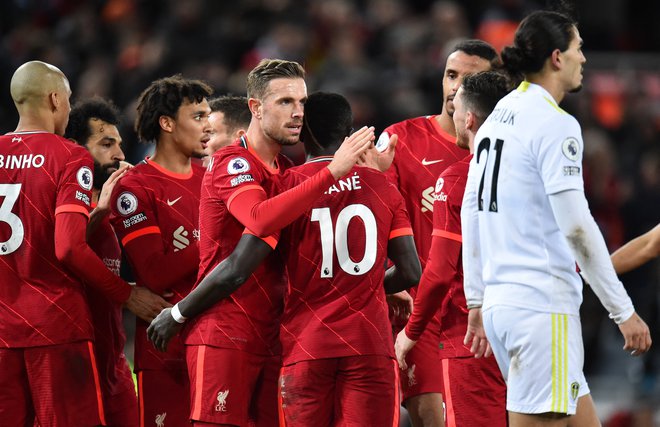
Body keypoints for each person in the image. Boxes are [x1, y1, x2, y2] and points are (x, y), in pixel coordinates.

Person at [149, 59, 373, 426]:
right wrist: (333, 171)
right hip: (224, 332)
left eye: (301, 102)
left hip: (275, 336)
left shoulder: (287, 173)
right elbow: (259, 218)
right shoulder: (231, 163)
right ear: (255, 107)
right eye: (285, 102)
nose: (298, 112)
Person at [461, 11, 652, 427]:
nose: (584, 58)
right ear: (556, 58)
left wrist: (476, 297)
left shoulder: (500, 114)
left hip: (502, 306)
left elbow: (472, 206)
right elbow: (578, 227)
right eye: (578, 48)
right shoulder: (556, 124)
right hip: (541, 310)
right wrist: (623, 312)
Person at [0, 61, 165, 426]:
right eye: (70, 100)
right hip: (55, 326)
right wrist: (126, 294)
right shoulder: (68, 155)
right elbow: (69, 248)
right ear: (56, 99)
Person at [376, 39, 500, 426]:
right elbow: (375, 215)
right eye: (450, 75)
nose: (454, 87)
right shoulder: (401, 139)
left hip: (484, 310)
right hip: (421, 308)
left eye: (468, 78)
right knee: (435, 417)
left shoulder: (500, 153)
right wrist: (387, 279)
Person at [109, 75, 213, 427]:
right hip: (166, 349)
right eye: (198, 116)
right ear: (167, 123)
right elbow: (153, 273)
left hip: (217, 344)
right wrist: (215, 241)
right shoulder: (135, 187)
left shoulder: (212, 179)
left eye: (208, 115)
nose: (208, 125)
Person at [66, 96, 150, 427]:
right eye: (105, 144)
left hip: (113, 363)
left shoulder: (111, 204)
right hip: (73, 364)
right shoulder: (62, 206)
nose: (119, 154)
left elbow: (99, 275)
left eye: (118, 143)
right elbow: (58, 256)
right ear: (75, 149)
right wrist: (99, 212)